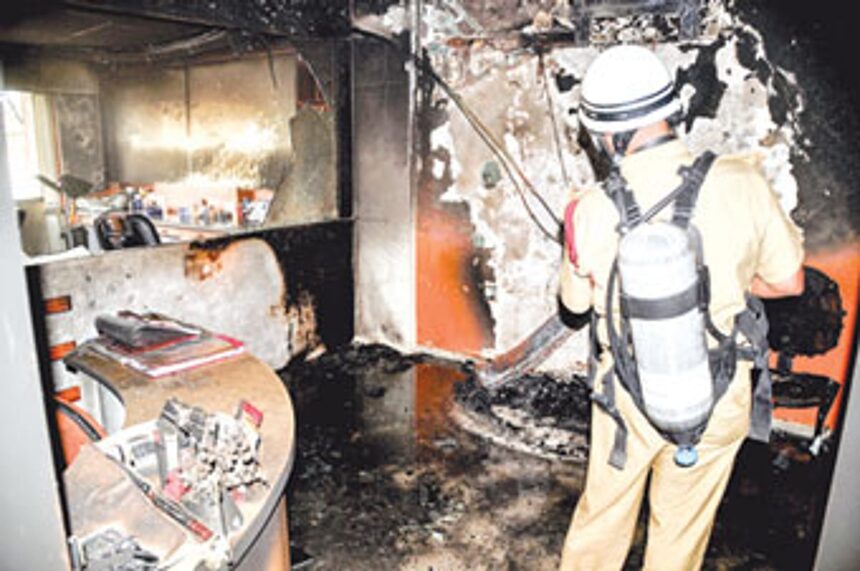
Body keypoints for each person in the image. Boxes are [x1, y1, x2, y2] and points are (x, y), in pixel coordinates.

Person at [557, 45, 805, 570]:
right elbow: (789, 282)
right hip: (718, 395)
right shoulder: (743, 180)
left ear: (607, 135)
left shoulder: (591, 208)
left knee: (603, 519)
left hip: (627, 400)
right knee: (681, 532)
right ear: (670, 112)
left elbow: (574, 305)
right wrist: (728, 281)